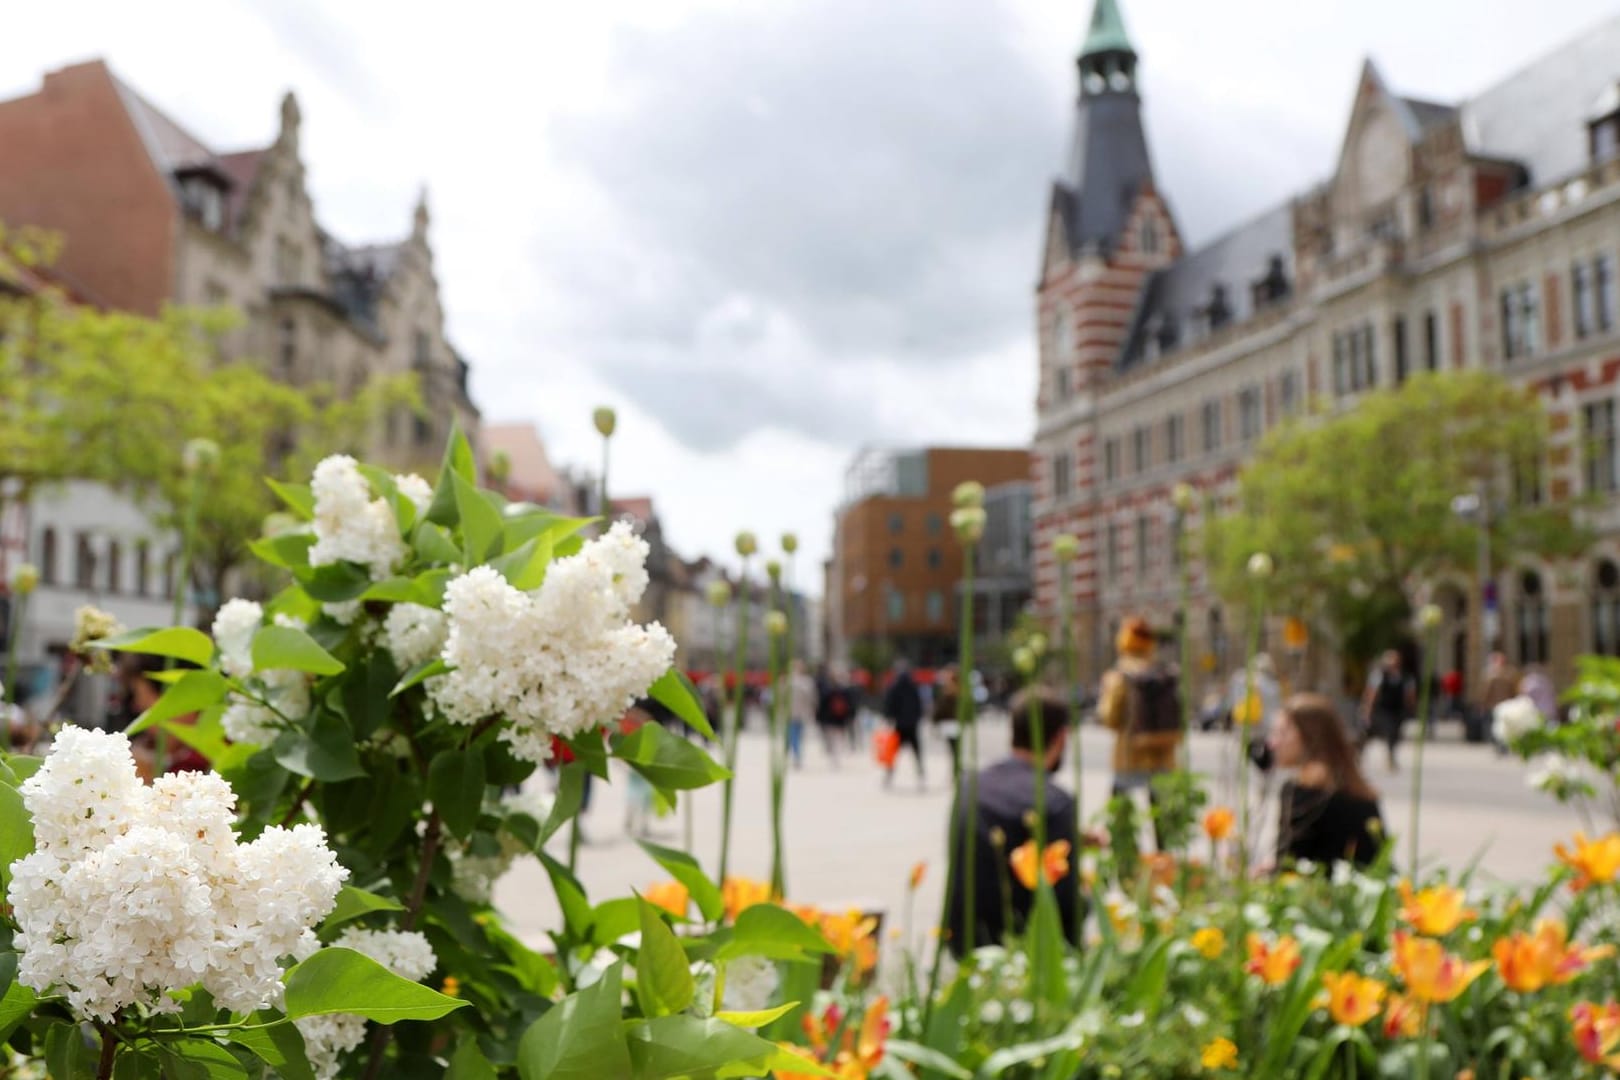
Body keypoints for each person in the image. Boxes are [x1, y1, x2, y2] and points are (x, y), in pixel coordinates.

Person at [944, 688, 1081, 955]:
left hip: (963, 940)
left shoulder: (969, 786)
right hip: (1017, 947)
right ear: (1062, 737)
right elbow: (1066, 907)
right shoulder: (1054, 801)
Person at [1267, 693, 1384, 869]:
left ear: (1308, 736)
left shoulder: (1302, 791)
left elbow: (1289, 865)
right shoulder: (1358, 789)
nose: (1272, 742)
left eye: (1281, 733)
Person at [1098, 617, 1182, 845]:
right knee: (1161, 818)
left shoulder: (1120, 675)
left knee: (1121, 812)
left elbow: (1110, 717)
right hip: (1163, 753)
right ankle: (1163, 861)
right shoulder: (1163, 671)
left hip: (1130, 755)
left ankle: (1126, 863)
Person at [1360, 649, 1414, 772]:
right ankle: (1359, 752)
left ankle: (1390, 757)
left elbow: (1409, 694)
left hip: (1397, 710)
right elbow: (1372, 693)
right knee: (1370, 733)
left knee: (1394, 734)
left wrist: (1410, 708)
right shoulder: (1379, 675)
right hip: (1381, 709)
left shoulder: (1405, 676)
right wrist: (1367, 710)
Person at [882, 660, 925, 788]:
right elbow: (919, 704)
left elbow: (889, 704)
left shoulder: (894, 686)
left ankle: (889, 775)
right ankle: (920, 774)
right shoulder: (913, 685)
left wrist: (889, 718)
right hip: (911, 723)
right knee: (916, 751)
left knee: (894, 752)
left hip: (900, 724)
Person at [1481, 651, 1520, 752]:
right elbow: (1514, 690)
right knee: (1502, 724)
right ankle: (1502, 745)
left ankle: (1500, 744)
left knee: (1497, 725)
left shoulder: (1492, 674)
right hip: (1504, 703)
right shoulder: (1510, 674)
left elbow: (1487, 691)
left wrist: (1484, 702)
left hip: (1496, 704)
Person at [931, 663, 963, 781]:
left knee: (954, 750)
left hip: (952, 724)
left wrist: (935, 720)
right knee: (954, 750)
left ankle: (956, 771)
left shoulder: (951, 690)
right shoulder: (956, 689)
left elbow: (941, 708)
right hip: (952, 723)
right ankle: (956, 771)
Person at [787, 659, 816, 769]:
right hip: (793, 712)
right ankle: (797, 755)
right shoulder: (790, 681)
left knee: (797, 735)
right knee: (794, 735)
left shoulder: (805, 682)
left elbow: (812, 698)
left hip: (800, 712)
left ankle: (797, 755)